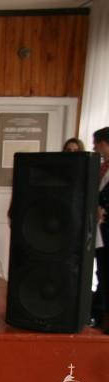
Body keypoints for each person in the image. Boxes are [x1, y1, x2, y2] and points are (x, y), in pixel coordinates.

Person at [91, 128, 109, 330]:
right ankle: (98, 313)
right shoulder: (102, 167)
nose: (94, 148)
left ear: (103, 143)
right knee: (102, 273)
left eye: (96, 144)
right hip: (99, 231)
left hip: (106, 227)